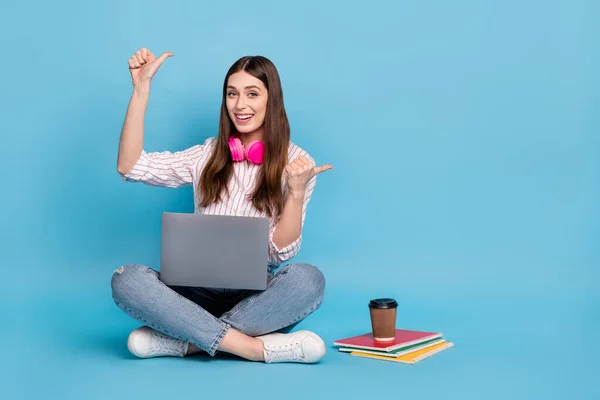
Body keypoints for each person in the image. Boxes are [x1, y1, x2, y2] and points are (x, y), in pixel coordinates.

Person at [111, 48, 333, 364]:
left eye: (252, 94)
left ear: (272, 100)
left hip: (255, 297)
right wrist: (140, 89)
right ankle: (253, 348)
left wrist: (295, 194)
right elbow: (130, 166)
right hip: (191, 294)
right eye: (232, 94)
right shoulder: (207, 154)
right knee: (126, 279)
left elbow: (282, 253)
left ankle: (189, 342)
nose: (240, 105)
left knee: (309, 280)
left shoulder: (298, 163)